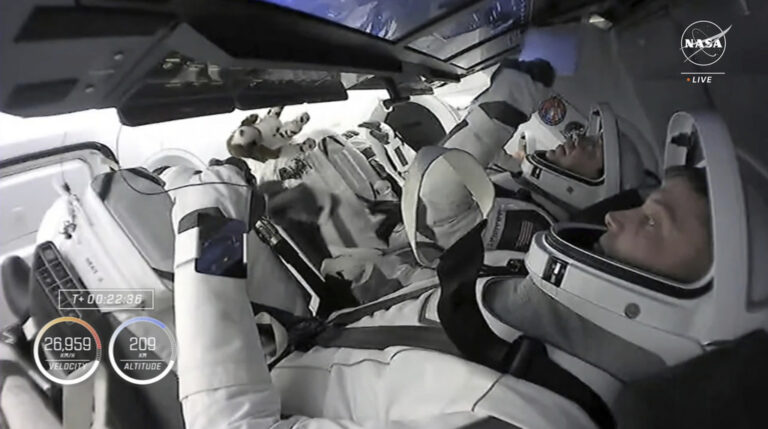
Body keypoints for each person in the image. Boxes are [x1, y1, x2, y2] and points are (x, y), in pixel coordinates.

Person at [165, 106, 768, 429]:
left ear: (698, 300)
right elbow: (436, 326)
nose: (614, 217)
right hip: (269, 359)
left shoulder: (528, 415)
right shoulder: (543, 314)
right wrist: (381, 284)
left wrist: (209, 235)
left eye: (656, 222)